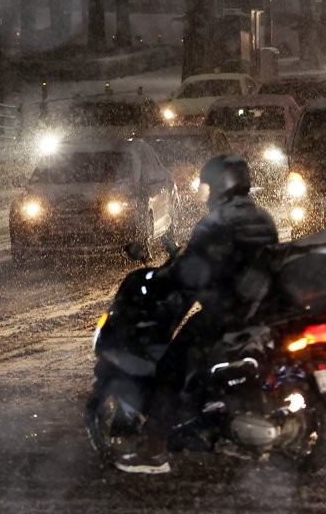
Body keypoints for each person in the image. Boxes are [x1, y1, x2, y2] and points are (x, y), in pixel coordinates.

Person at [115, 154, 278, 474]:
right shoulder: (262, 218)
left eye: (207, 186)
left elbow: (189, 269)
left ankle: (154, 450)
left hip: (226, 313)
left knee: (172, 366)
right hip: (262, 313)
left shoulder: (217, 222)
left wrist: (158, 283)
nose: (205, 194)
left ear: (221, 185)